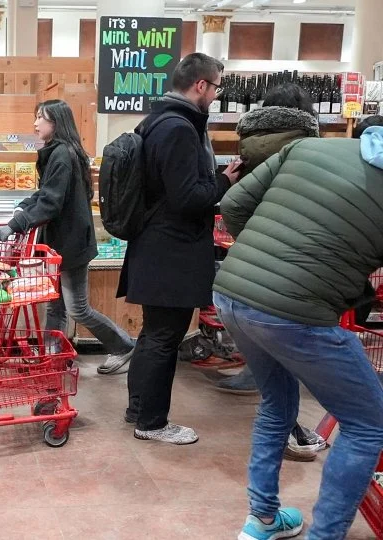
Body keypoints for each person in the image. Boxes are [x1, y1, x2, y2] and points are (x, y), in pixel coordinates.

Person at [212, 126, 383, 540]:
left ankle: (263, 520)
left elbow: (233, 201)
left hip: (233, 293)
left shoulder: (308, 146)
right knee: (367, 424)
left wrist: (264, 257)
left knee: (277, 402)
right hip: (297, 313)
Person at [118, 53, 241, 445]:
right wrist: (223, 180)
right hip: (171, 251)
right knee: (164, 337)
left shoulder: (157, 121)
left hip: (156, 246)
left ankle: (139, 409)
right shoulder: (179, 129)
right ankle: (152, 422)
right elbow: (187, 198)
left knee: (154, 334)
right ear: (201, 85)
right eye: (216, 87)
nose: (216, 96)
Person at [211, 83, 326, 461]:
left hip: (245, 272)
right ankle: (291, 431)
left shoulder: (250, 148)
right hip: (293, 267)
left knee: (272, 364)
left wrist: (252, 240)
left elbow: (233, 204)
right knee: (289, 361)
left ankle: (265, 498)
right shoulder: (309, 151)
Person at [0, 100, 135, 374]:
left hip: (71, 245)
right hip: (61, 244)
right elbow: (47, 194)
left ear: (55, 122)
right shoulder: (60, 152)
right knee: (55, 306)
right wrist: (25, 205)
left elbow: (51, 202)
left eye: (40, 118)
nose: (35, 123)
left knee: (78, 309)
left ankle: (123, 346)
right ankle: (53, 359)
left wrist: (15, 224)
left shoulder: (62, 155)